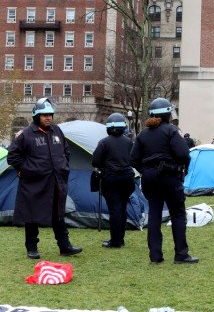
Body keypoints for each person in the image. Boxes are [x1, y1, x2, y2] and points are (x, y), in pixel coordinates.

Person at [7, 98, 82, 259]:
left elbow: (66, 151)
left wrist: (64, 167)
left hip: (56, 182)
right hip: (34, 184)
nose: (48, 118)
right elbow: (13, 157)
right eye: (44, 115)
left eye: (50, 115)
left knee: (58, 214)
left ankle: (65, 246)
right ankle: (32, 248)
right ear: (36, 116)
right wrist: (25, 171)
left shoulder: (57, 131)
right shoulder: (26, 134)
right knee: (31, 215)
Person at [131, 98, 199, 264]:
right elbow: (183, 154)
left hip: (149, 179)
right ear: (168, 114)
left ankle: (155, 256)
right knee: (177, 214)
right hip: (169, 177)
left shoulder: (142, 134)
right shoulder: (171, 130)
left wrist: (146, 171)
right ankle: (181, 254)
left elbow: (133, 159)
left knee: (154, 214)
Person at [92, 113, 135, 249]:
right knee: (122, 208)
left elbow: (96, 161)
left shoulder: (104, 142)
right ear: (123, 127)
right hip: (127, 178)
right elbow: (134, 159)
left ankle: (115, 241)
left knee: (115, 209)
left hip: (111, 178)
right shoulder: (129, 142)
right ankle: (120, 239)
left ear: (108, 128)